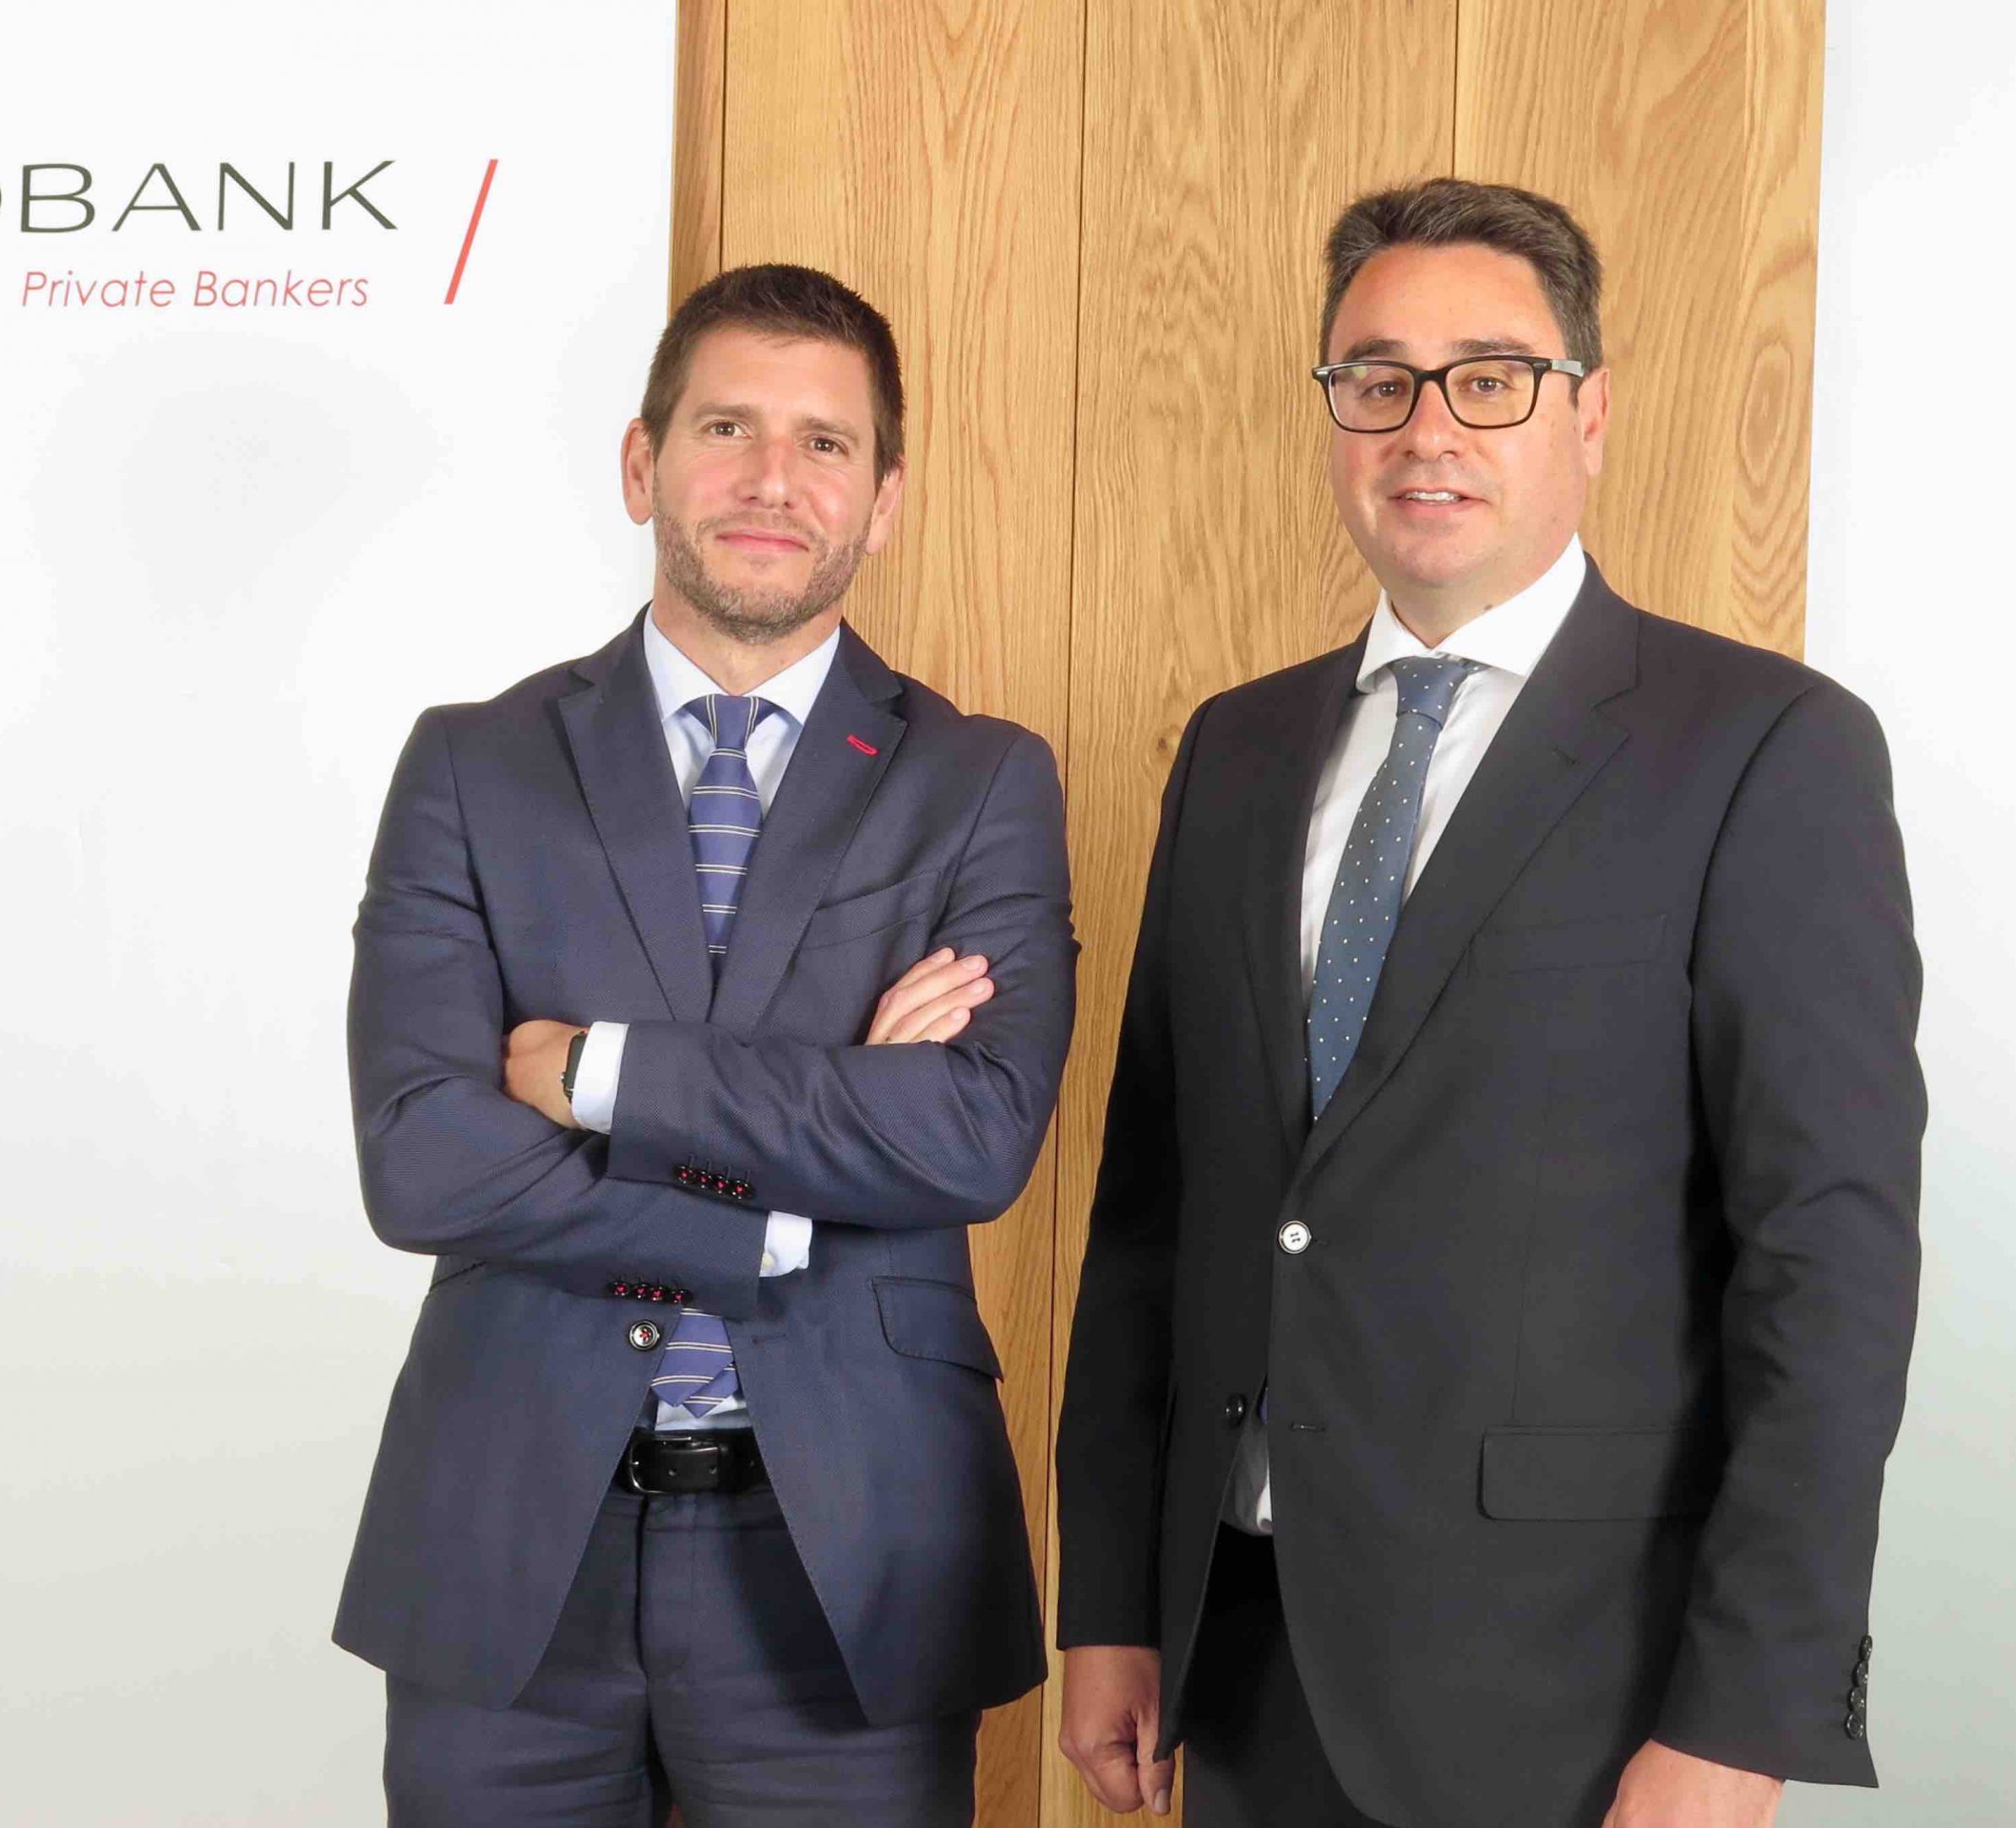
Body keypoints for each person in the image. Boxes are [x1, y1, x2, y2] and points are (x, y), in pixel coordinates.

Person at [1054, 177, 1923, 1828]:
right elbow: (1154, 1215)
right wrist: (1111, 1600)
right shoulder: (1236, 750)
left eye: (1490, 377)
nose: (1427, 428)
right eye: (1377, 380)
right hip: (1240, 1658)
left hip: (1578, 1690)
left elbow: (1828, 1264)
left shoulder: (1763, 748)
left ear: (1588, 413)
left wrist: (1746, 1716)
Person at [333, 262, 1075, 1826]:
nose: (771, 480)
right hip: (508, 1546)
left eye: (826, 443)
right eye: (728, 427)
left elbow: (969, 1139)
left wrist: (595, 1076)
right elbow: (424, 1161)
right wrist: (798, 1186)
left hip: (848, 1557)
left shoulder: (980, 783)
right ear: (642, 463)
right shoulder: (474, 765)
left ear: (884, 501)